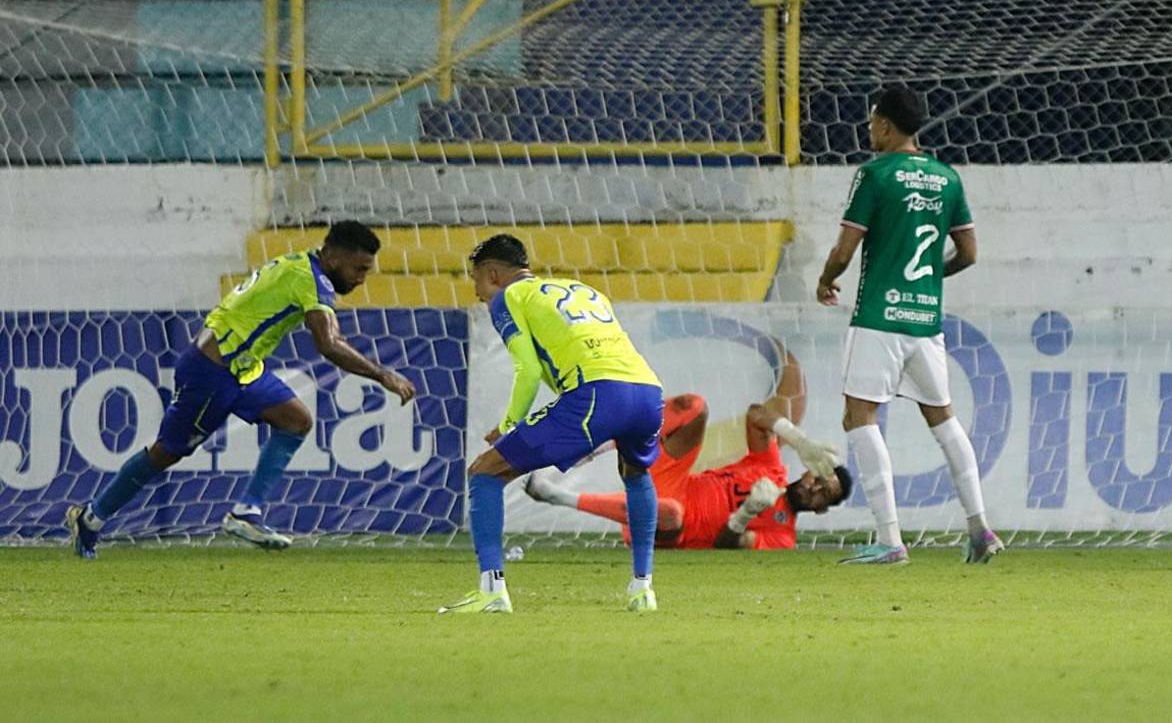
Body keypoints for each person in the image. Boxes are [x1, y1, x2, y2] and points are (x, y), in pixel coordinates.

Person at [65, 221, 416, 559]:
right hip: (210, 371)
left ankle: (246, 512)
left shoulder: (300, 265)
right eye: (359, 269)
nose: (361, 279)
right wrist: (383, 375)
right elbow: (329, 343)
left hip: (242, 370)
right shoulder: (311, 280)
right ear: (334, 257)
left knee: (296, 420)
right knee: (166, 452)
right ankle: (91, 517)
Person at [815, 84, 1004, 565]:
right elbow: (969, 253)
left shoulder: (874, 175)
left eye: (872, 121)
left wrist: (826, 279)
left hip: (879, 317)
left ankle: (890, 539)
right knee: (943, 418)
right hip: (925, 321)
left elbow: (844, 248)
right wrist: (925, 281)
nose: (869, 130)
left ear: (884, 124)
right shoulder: (947, 178)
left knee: (859, 417)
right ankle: (980, 528)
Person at [440, 233, 673, 614]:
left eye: (477, 282)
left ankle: (491, 591)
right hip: (647, 391)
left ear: (493, 275)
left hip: (597, 393)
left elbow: (528, 371)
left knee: (484, 472)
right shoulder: (584, 290)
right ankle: (642, 590)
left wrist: (509, 425)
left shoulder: (509, 297)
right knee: (635, 474)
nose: (479, 294)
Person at [525, 391, 853, 550]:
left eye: (823, 493)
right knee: (694, 407)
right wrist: (798, 439)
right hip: (673, 479)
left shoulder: (784, 538)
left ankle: (555, 495)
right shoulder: (771, 467)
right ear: (810, 468)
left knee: (668, 512)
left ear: (821, 510)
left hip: (671, 529)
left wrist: (747, 512)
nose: (814, 488)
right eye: (818, 478)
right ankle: (596, 446)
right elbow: (756, 413)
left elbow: (728, 545)